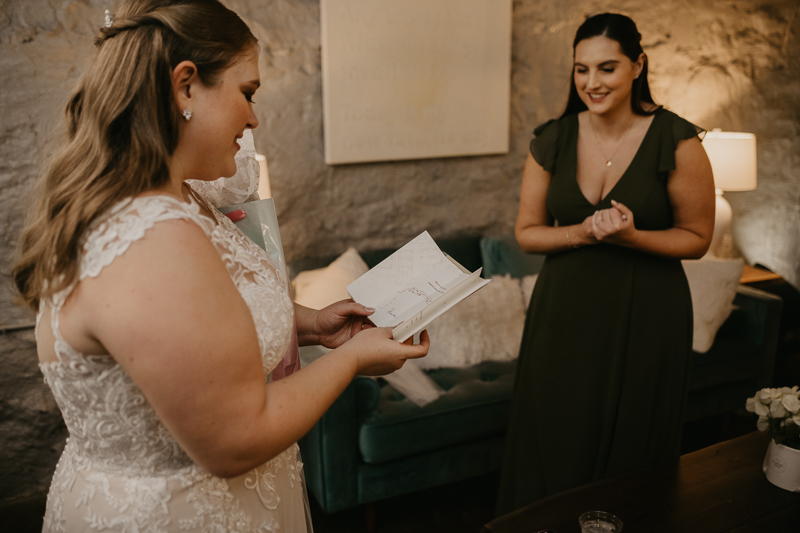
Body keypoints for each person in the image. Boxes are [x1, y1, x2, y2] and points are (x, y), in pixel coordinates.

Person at [12, 1, 429, 531]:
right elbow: (233, 442)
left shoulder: (182, 198)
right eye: (247, 92)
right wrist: (351, 361)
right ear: (186, 86)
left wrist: (311, 325)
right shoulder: (151, 237)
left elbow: (203, 316)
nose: (254, 117)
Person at [496, 13, 715, 514]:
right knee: (554, 431)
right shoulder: (552, 138)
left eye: (607, 68)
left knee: (633, 440)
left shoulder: (677, 139)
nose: (592, 83)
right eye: (581, 70)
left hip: (648, 312)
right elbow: (527, 232)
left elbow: (698, 238)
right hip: (563, 312)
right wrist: (583, 231)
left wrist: (634, 236)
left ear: (638, 65)